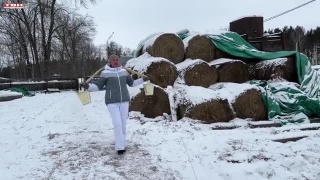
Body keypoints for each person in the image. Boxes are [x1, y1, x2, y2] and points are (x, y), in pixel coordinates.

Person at [82, 54, 148, 155]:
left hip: (124, 101)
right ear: (109, 61)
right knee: (117, 124)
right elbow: (97, 87)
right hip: (111, 102)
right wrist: (87, 86)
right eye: (113, 59)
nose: (116, 61)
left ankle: (121, 142)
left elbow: (132, 84)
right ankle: (120, 147)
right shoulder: (105, 73)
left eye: (117, 59)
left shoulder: (124, 72)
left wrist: (143, 79)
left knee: (123, 124)